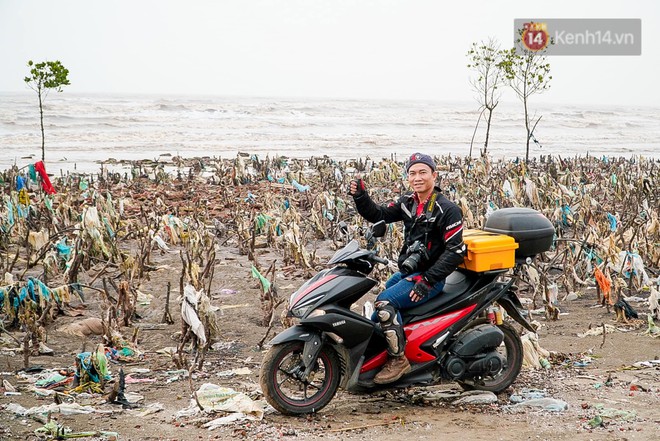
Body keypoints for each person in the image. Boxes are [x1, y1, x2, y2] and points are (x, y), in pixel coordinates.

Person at [349, 153, 466, 384]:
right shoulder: (408, 203)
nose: (417, 177)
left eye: (423, 172)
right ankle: (378, 354)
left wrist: (428, 281)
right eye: (413, 173)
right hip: (409, 272)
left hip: (430, 278)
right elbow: (378, 214)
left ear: (434, 175)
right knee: (377, 313)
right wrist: (360, 196)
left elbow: (455, 252)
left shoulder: (448, 210)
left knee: (384, 303)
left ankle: (398, 360)